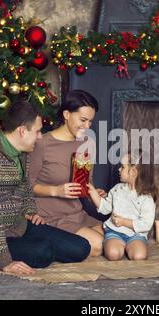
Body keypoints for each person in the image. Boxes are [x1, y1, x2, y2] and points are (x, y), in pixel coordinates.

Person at [0, 100, 91, 276]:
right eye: (38, 131)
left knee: (81, 248)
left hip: (16, 227)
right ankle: (27, 250)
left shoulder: (22, 152)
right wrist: (5, 263)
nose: (41, 137)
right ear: (22, 130)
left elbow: (25, 187)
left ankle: (31, 247)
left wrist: (30, 211)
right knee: (43, 253)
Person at [28, 90, 106, 257]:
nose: (87, 127)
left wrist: (94, 193)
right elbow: (27, 184)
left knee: (113, 239)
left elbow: (87, 182)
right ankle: (49, 241)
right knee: (98, 246)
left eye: (90, 122)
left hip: (77, 213)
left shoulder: (88, 143)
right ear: (66, 114)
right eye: (83, 120)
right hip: (51, 216)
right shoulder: (42, 143)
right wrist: (56, 190)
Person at [87, 150, 157, 261]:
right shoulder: (117, 189)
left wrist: (124, 222)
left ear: (133, 172)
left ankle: (131, 246)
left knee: (139, 256)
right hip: (115, 232)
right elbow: (105, 208)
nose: (119, 169)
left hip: (136, 235)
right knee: (113, 254)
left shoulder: (146, 198)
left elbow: (146, 224)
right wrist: (93, 194)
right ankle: (118, 245)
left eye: (123, 167)